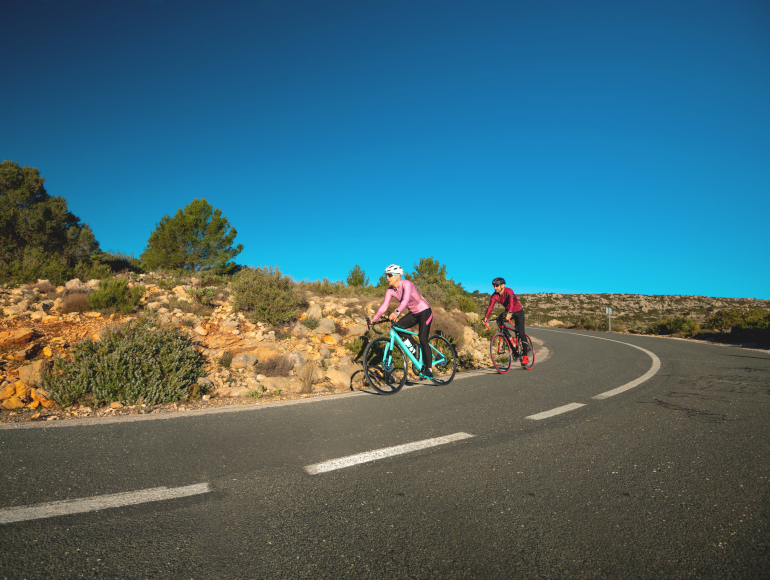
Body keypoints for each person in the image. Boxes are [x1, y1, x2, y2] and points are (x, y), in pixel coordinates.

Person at [368, 264, 434, 377]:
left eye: (390, 275)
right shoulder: (390, 291)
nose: (387, 278)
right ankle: (415, 348)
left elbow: (405, 300)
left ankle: (429, 369)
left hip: (425, 312)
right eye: (386, 276)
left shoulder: (407, 284)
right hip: (413, 313)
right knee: (396, 327)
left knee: (423, 338)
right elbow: (384, 306)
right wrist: (374, 319)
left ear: (398, 275)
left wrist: (396, 312)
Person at [482, 277, 530, 367]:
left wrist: (510, 313)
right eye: (494, 286)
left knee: (521, 331)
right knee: (499, 320)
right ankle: (512, 344)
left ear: (503, 285)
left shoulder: (509, 291)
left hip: (518, 311)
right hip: (508, 311)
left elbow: (511, 303)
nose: (495, 287)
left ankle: (525, 356)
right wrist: (485, 317)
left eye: (497, 285)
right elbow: (490, 307)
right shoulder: (494, 295)